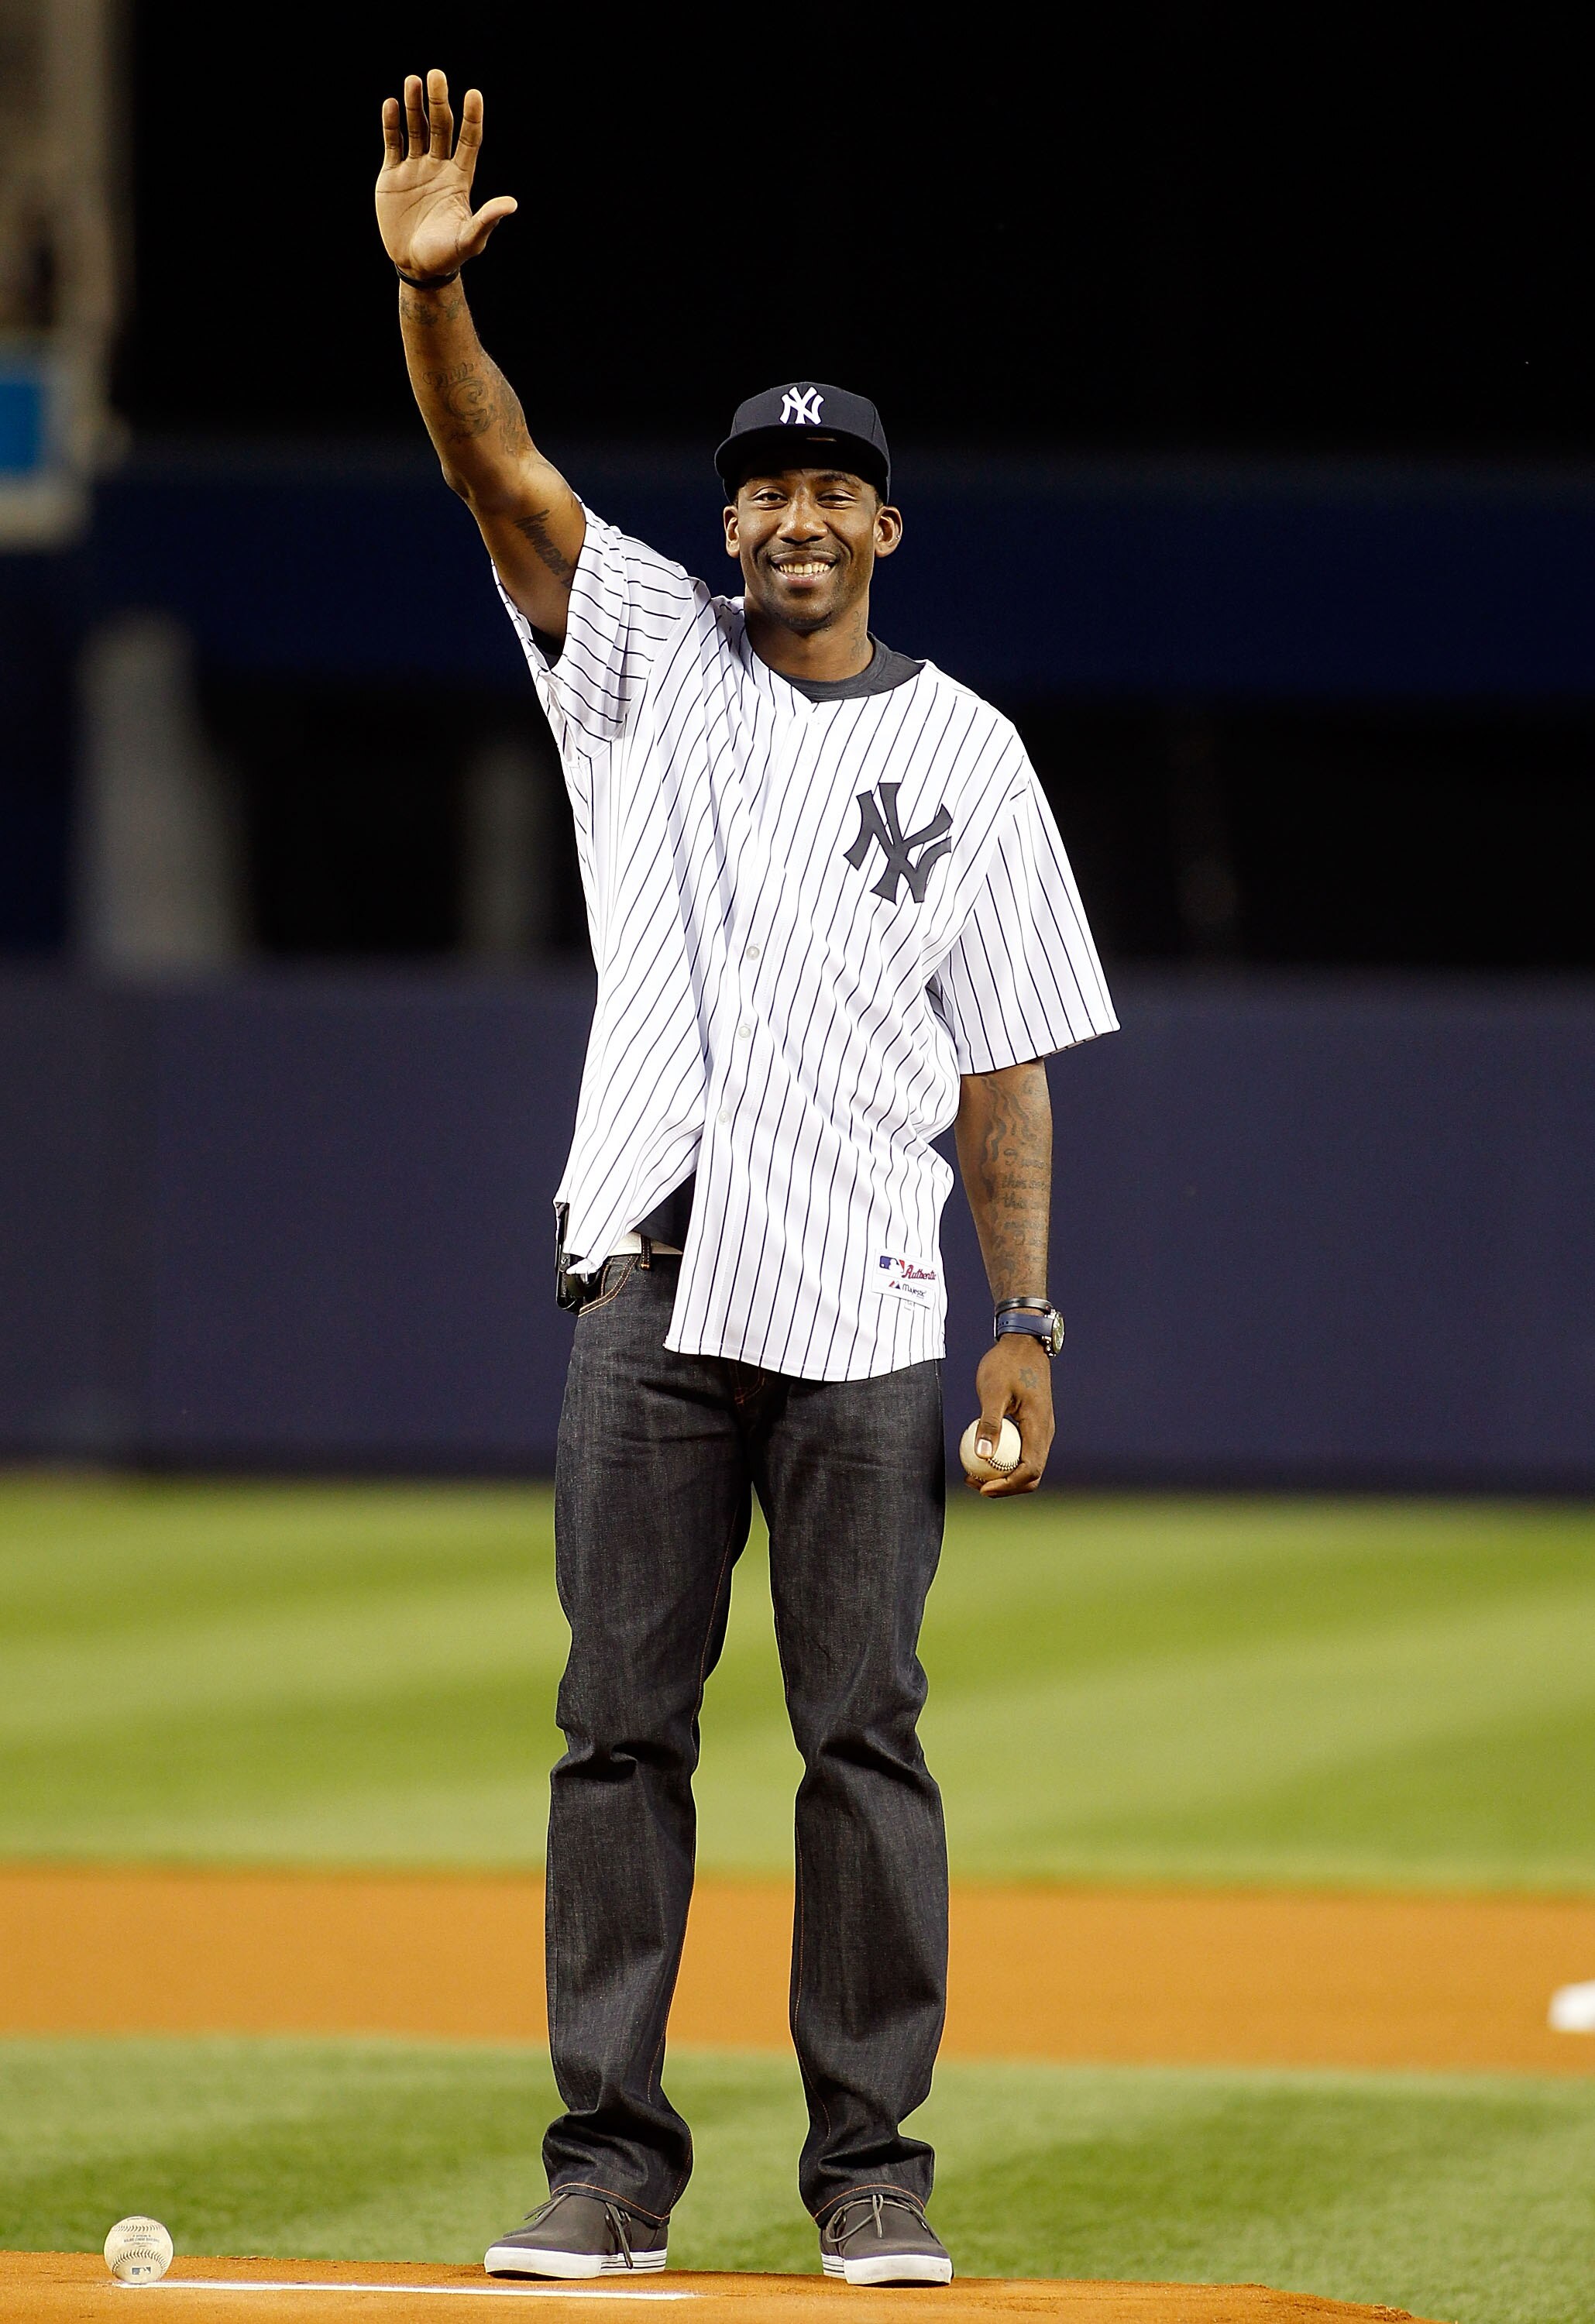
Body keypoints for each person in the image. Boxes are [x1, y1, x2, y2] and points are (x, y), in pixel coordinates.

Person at [376, 70, 1118, 2289]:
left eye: (830, 486)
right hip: (649, 1291)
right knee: (616, 1734)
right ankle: (606, 2170)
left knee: (860, 1741)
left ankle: (868, 2179)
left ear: (886, 527)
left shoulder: (967, 750)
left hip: (881, 1303)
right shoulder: (641, 671)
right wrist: (429, 303)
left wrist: (1028, 1320)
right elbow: (498, 469)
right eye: (763, 487)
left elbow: (1002, 1068)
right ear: (728, 530)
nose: (791, 514)